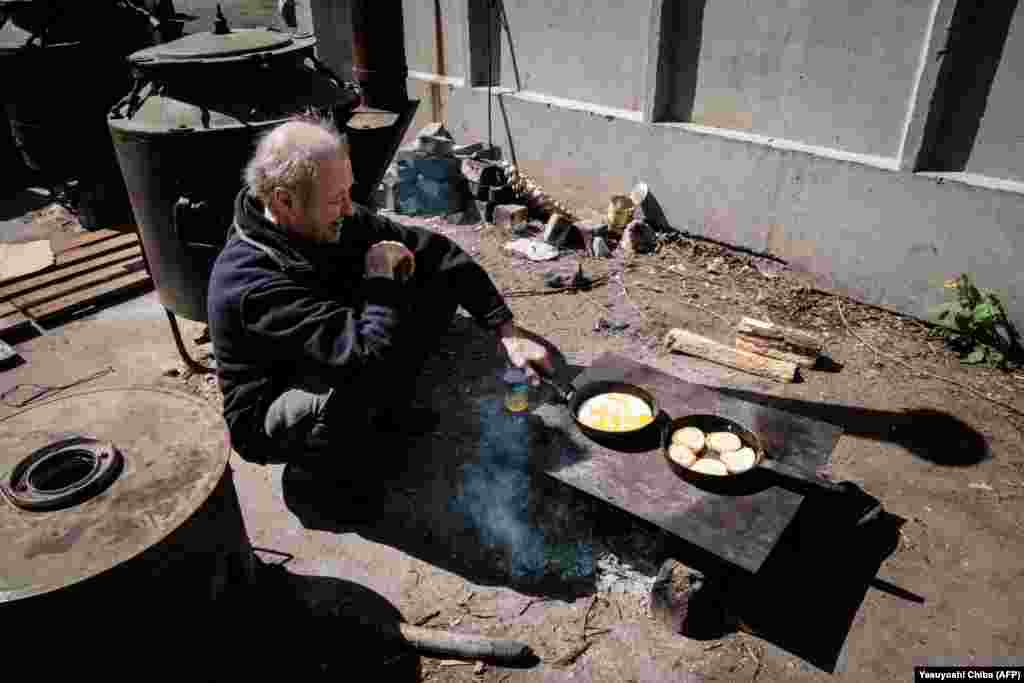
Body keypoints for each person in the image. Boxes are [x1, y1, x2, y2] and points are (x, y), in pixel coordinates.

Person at [207, 113, 554, 481]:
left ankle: (390, 409)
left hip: (335, 345)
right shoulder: (251, 283)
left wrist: (508, 332)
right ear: (284, 201)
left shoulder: (332, 219)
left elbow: (439, 253)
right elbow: (365, 359)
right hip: (272, 404)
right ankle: (323, 486)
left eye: (348, 192)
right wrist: (379, 280)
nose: (348, 208)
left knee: (429, 280)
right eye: (335, 199)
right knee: (351, 395)